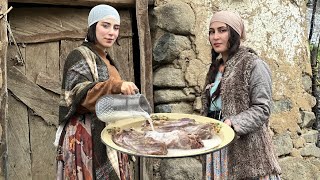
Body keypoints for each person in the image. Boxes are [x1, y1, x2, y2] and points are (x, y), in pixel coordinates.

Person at [56, 4, 137, 180]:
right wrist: (115, 86)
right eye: (105, 25)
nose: (112, 32)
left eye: (116, 28)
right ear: (93, 27)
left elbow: (111, 99)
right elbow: (80, 95)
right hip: (86, 137)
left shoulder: (107, 60)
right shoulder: (78, 55)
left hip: (109, 133)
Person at [201, 11, 282, 179]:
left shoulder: (253, 64)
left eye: (222, 30)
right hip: (217, 148)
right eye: (212, 31)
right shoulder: (215, 68)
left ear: (235, 33)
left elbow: (262, 109)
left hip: (248, 152)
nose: (215, 36)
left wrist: (233, 122)